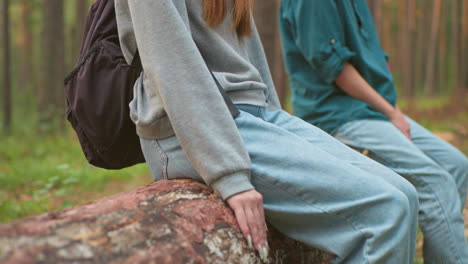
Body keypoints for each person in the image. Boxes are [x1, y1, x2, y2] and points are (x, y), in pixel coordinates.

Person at [115, 0, 419, 263]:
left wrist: (277, 124)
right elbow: (169, 62)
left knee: (405, 195)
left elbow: (248, 57)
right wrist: (229, 175)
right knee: (385, 212)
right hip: (191, 126)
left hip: (256, 117)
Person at [279, 0, 468, 263]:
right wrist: (391, 113)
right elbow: (333, 68)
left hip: (375, 111)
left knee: (456, 164)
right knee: (436, 182)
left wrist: (393, 111)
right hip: (338, 115)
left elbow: (375, 66)